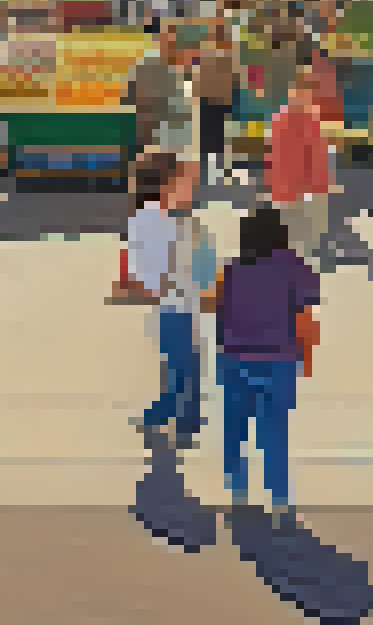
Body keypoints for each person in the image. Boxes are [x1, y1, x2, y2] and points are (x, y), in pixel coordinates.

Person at [202, 205, 319, 522]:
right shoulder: (297, 268)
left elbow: (213, 305)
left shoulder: (230, 269)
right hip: (279, 359)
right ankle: (280, 498)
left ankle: (238, 491)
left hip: (235, 358)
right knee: (275, 431)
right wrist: (306, 358)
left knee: (234, 427)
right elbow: (306, 320)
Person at [130, 152, 208, 445]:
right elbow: (156, 267)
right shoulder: (153, 218)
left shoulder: (167, 217)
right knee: (185, 365)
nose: (194, 186)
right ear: (168, 183)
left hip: (181, 301)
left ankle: (170, 413)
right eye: (188, 180)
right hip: (174, 303)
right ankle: (180, 419)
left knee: (185, 364)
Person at [267, 62, 335, 262]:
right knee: (303, 244)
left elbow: (275, 158)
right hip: (302, 194)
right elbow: (315, 157)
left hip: (292, 193)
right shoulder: (304, 117)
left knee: (296, 243)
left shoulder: (284, 117)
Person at [196, 38, 239, 184]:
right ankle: (212, 171)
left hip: (215, 102)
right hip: (213, 102)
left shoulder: (221, 57)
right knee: (214, 139)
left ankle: (215, 171)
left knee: (217, 138)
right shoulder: (220, 57)